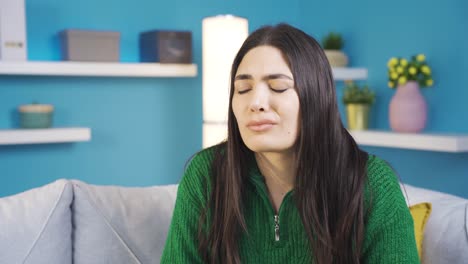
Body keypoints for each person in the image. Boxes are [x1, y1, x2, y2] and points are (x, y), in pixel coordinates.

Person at [161, 23, 419, 264]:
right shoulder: (206, 174)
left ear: (316, 96)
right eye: (243, 89)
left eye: (278, 87)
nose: (256, 102)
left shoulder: (372, 184)